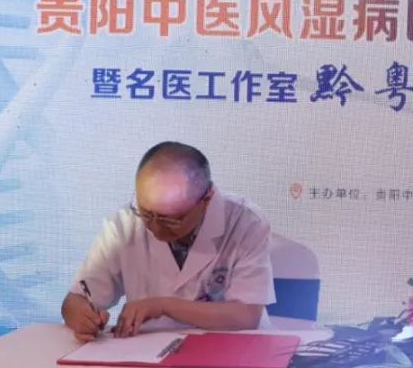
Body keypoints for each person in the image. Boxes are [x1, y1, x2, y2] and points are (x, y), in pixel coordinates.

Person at [62, 142, 274, 341]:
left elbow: (246, 316)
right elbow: (75, 300)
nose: (155, 226)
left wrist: (162, 306)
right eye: (146, 213)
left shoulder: (245, 221)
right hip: (147, 349)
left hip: (231, 346)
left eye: (170, 219)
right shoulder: (123, 225)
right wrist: (81, 317)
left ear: (206, 200)